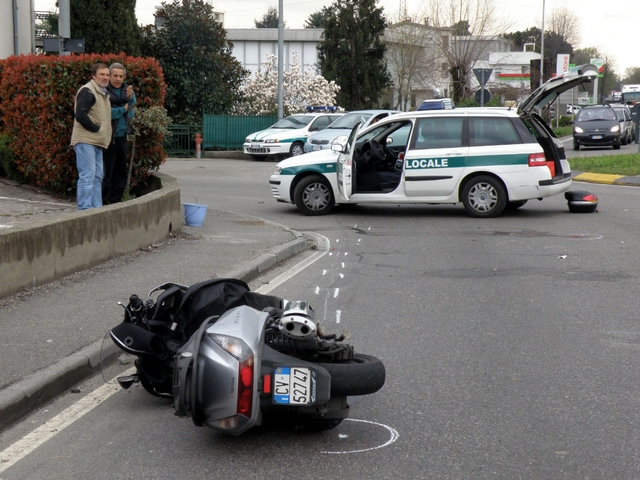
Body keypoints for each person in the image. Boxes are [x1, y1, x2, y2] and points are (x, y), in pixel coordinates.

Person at [70, 63, 112, 210]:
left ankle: (96, 209)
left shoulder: (103, 92)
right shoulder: (88, 91)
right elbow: (80, 114)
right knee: (88, 176)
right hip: (86, 140)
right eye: (102, 74)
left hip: (97, 141)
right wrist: (96, 129)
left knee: (97, 177)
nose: (105, 77)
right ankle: (85, 210)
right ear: (94, 76)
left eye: (107, 75)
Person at [103, 63, 136, 204]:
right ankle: (103, 200)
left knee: (121, 171)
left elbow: (132, 110)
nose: (118, 79)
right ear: (110, 76)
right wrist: (123, 109)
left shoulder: (127, 90)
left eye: (120, 76)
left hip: (122, 136)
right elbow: (106, 113)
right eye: (115, 76)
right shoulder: (103, 90)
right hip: (108, 137)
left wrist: (131, 100)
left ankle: (117, 200)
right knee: (106, 172)